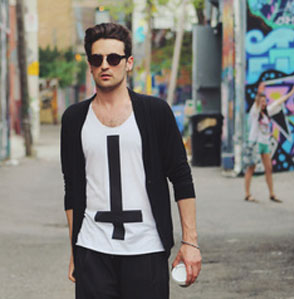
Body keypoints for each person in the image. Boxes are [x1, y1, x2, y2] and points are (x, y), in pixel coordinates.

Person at [60, 23, 201, 298]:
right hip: (93, 248)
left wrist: (190, 242)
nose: (105, 65)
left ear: (129, 63)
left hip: (146, 248)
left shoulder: (155, 112)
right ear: (89, 65)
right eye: (97, 59)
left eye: (113, 58)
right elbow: (72, 190)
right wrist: (75, 250)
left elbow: (181, 178)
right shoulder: (74, 119)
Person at [243, 82, 294, 203]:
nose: (263, 103)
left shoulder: (268, 112)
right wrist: (259, 92)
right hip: (255, 143)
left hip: (264, 144)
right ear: (258, 102)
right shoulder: (254, 112)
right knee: (251, 168)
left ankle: (272, 194)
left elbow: (279, 102)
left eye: (264, 101)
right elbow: (256, 105)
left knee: (269, 168)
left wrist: (291, 93)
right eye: (261, 101)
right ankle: (247, 193)